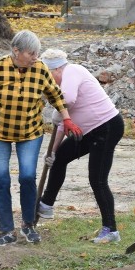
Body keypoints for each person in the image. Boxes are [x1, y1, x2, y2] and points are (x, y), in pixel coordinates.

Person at [0, 30, 82, 247]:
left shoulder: (40, 70)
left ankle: (29, 225)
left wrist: (67, 120)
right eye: (31, 53)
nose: (36, 57)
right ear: (16, 51)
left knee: (27, 177)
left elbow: (55, 95)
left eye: (37, 52)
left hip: (30, 133)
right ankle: (6, 230)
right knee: (1, 179)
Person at [38, 49, 125, 243]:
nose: (48, 81)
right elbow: (62, 123)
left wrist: (58, 109)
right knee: (59, 158)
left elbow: (67, 101)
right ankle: (46, 204)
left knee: (98, 179)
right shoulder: (63, 79)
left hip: (107, 127)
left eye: (48, 75)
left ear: (57, 69)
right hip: (89, 131)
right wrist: (51, 152)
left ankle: (111, 230)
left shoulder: (72, 71)